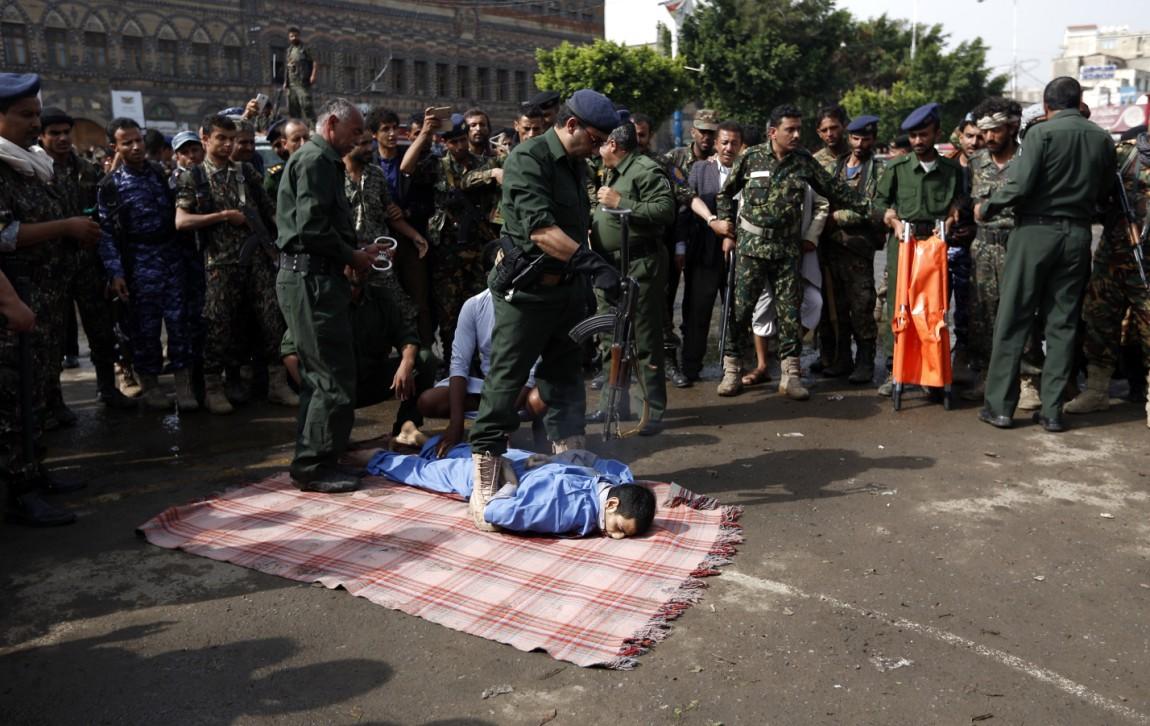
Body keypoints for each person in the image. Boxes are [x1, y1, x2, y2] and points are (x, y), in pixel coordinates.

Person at [468, 89, 622, 531]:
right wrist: (593, 264)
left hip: (567, 291)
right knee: (508, 378)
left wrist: (595, 273)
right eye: (595, 139)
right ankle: (487, 466)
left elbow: (576, 228)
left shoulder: (576, 164)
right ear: (571, 125)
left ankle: (568, 453)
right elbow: (541, 231)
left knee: (566, 374)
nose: (599, 149)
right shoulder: (528, 159)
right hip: (529, 293)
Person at [975, 77, 1117, 432]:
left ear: (1047, 104)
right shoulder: (1101, 137)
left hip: (1035, 232)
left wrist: (988, 207)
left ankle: (1001, 407)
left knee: (1013, 319)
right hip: (1077, 235)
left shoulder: (1041, 133)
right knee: (1063, 323)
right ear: (1079, 100)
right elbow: (1104, 192)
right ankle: (1053, 411)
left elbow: (1020, 185)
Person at [714, 104, 873, 399]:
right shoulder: (750, 157)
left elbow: (833, 188)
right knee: (740, 311)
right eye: (791, 129)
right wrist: (724, 222)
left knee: (790, 313)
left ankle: (791, 375)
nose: (797, 134)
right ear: (773, 132)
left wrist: (869, 208)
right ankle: (732, 370)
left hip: (787, 250)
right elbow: (725, 192)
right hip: (751, 249)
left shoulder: (803, 161)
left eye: (799, 128)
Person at [1, 73, 101, 526]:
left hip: (45, 297)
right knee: (14, 397)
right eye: (25, 115)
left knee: (37, 392)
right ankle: (19, 490)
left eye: (36, 114)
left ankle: (34, 470)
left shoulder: (27, 164)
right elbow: (6, 235)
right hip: (16, 302)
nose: (34, 123)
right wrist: (65, 228)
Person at [276, 97, 382, 493]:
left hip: (318, 277)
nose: (361, 139)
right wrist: (352, 254)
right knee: (329, 377)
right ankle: (313, 466)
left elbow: (321, 228)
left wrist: (357, 250)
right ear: (332, 124)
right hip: (311, 281)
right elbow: (310, 231)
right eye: (356, 132)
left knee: (328, 374)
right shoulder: (316, 160)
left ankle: (321, 457)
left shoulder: (322, 160)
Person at [174, 113, 294, 414]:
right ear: (205, 138)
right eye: (221, 139)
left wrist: (284, 243)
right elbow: (182, 221)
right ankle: (214, 387)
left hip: (258, 260)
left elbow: (271, 212)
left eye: (231, 139)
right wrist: (223, 216)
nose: (227, 145)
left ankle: (277, 385)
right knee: (218, 326)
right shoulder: (195, 176)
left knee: (271, 323)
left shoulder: (245, 173)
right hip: (220, 265)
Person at [347, 437, 654, 538]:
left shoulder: (615, 484)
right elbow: (495, 509)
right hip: (496, 474)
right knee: (422, 472)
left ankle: (418, 439)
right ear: (611, 504)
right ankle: (357, 455)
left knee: (459, 454)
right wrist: (508, 484)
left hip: (523, 460)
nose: (614, 535)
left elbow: (619, 471)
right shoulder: (564, 508)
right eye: (618, 527)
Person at [97, 118, 196, 411]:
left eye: (138, 140)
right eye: (127, 142)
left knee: (180, 323)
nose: (136, 146)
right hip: (139, 263)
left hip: (171, 258)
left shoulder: (158, 173)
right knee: (145, 329)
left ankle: (184, 385)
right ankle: (151, 385)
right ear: (114, 147)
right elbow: (106, 234)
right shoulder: (110, 186)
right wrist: (115, 273)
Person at [39, 107, 133, 415]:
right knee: (52, 339)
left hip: (89, 265)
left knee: (101, 332)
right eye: (55, 133)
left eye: (66, 132)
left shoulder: (88, 171)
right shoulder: (33, 170)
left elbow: (104, 222)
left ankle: (108, 390)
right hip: (50, 268)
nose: (63, 138)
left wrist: (112, 269)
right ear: (42, 136)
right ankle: (53, 403)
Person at [587, 122, 676, 434]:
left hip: (640, 263)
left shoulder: (644, 169)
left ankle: (649, 412)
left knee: (644, 339)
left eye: (600, 144)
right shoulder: (614, 170)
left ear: (613, 144)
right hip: (611, 266)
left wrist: (619, 203)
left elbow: (665, 210)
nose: (596, 149)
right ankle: (611, 405)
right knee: (611, 338)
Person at [874, 102, 965, 396]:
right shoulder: (897, 168)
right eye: (912, 136)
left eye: (923, 135)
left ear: (936, 133)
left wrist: (953, 215)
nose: (917, 141)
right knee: (899, 305)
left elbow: (960, 201)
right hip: (904, 244)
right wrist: (892, 219)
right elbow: (879, 203)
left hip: (937, 246)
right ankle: (894, 369)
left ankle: (931, 371)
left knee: (934, 308)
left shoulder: (951, 170)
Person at [281, 263, 436, 435]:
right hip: (333, 387)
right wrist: (313, 391)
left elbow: (406, 336)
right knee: (331, 449)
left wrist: (406, 363)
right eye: (351, 263)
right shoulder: (323, 300)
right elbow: (290, 352)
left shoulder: (381, 299)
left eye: (362, 263)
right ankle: (325, 431)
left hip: (369, 379)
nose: (358, 268)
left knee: (424, 359)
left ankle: (406, 427)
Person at [403, 111, 502, 362]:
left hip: (478, 251)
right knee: (449, 313)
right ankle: (451, 360)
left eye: (462, 140)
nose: (459, 146)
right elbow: (406, 167)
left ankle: (479, 361)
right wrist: (425, 133)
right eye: (453, 141)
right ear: (444, 143)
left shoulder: (485, 164)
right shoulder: (437, 166)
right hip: (446, 253)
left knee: (480, 308)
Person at [964, 98, 1036, 404]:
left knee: (1024, 314)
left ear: (1011, 127)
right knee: (982, 315)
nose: (989, 138)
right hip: (983, 247)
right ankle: (986, 375)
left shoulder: (1027, 159)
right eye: (984, 131)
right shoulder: (977, 162)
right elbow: (967, 200)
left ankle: (1028, 380)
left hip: (1017, 246)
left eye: (995, 130)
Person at [823, 114, 886, 385]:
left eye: (866, 138)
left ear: (874, 139)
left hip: (857, 250)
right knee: (836, 307)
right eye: (856, 138)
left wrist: (835, 218)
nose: (860, 144)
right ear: (848, 138)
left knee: (862, 306)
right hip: (831, 247)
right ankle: (842, 359)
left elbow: (873, 209)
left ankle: (865, 361)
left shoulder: (878, 170)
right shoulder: (837, 166)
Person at [343, 130, 426, 328]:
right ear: (347, 146)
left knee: (402, 310)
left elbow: (391, 214)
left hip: (379, 257)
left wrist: (415, 236)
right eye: (362, 144)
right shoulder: (333, 176)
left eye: (369, 143)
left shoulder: (376, 175)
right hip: (348, 257)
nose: (369, 149)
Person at [682, 120, 744, 382]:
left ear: (741, 146)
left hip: (740, 253)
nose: (729, 148)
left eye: (734, 143)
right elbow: (686, 206)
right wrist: (680, 246)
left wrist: (733, 236)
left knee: (737, 313)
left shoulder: (748, 171)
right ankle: (690, 366)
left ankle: (734, 367)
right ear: (716, 144)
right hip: (704, 253)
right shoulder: (699, 169)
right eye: (725, 142)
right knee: (698, 311)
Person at [661, 109, 719, 389]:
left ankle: (693, 362)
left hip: (709, 242)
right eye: (703, 131)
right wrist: (678, 245)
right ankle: (670, 358)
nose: (707, 137)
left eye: (712, 132)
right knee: (667, 301)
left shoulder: (720, 159)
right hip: (676, 239)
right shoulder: (675, 158)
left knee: (698, 305)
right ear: (693, 131)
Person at [369, 106, 435, 347]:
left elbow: (428, 200)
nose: (392, 133)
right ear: (374, 134)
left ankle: (425, 350)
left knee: (419, 299)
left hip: (409, 239)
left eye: (395, 128)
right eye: (385, 129)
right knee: (383, 299)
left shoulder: (411, 157)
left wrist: (406, 211)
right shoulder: (368, 161)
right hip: (380, 239)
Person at [263, 117, 309, 203]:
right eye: (276, 146)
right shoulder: (276, 176)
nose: (303, 144)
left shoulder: (320, 167)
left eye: (306, 138)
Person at [284, 26, 317, 123]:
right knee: (293, 109)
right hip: (291, 84)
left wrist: (313, 75)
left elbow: (315, 61)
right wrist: (286, 82)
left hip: (302, 82)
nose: (294, 38)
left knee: (307, 106)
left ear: (299, 36)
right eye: (291, 36)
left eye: (295, 36)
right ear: (289, 37)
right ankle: (296, 128)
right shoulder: (289, 50)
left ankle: (312, 128)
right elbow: (288, 66)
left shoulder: (305, 48)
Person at [813, 104, 850, 171]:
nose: (829, 134)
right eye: (824, 130)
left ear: (844, 126)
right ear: (819, 133)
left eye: (834, 128)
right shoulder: (815, 162)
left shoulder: (856, 154)